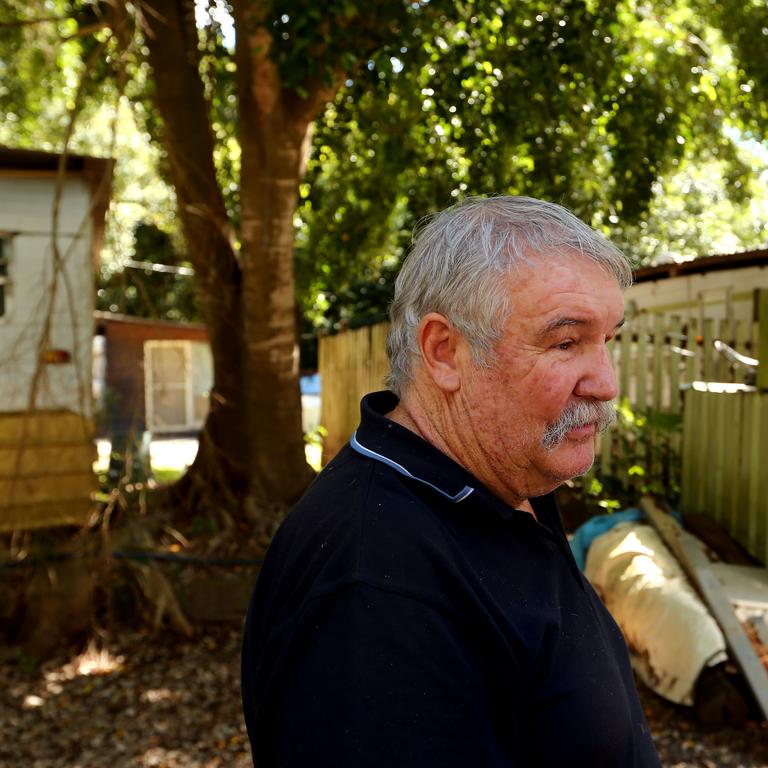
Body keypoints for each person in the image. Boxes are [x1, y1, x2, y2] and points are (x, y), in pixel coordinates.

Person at [241, 196, 662, 767]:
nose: (606, 383)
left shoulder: (505, 481)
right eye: (566, 343)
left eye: (606, 340)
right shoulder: (377, 584)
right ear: (444, 351)